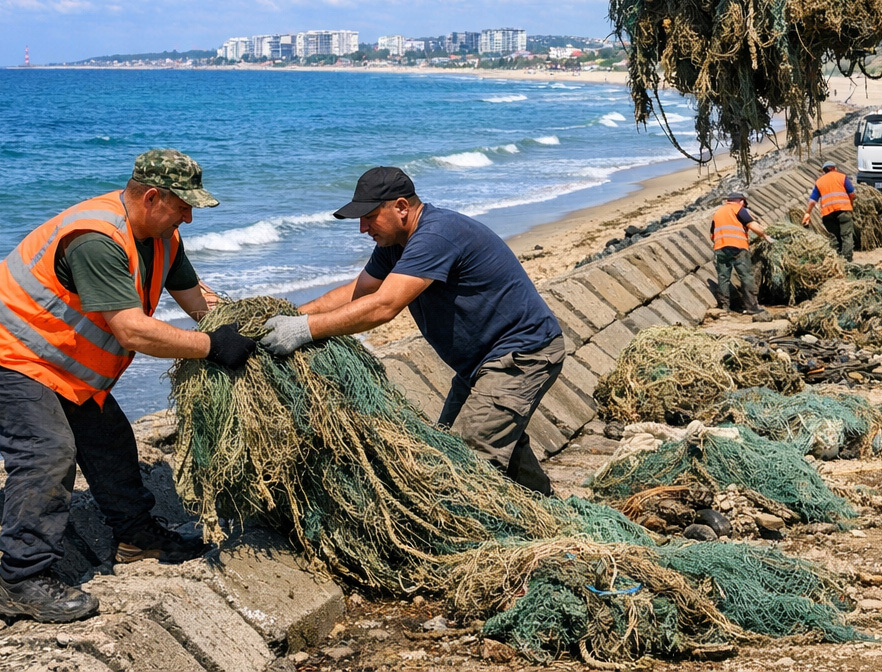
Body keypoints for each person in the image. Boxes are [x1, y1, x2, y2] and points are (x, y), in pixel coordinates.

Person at [0, 149, 257, 623]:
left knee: (113, 443)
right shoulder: (96, 239)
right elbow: (132, 330)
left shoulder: (163, 236)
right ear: (152, 196)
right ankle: (20, 580)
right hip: (13, 355)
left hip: (66, 366)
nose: (190, 216)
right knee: (47, 453)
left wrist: (244, 331)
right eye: (183, 206)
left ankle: (136, 540)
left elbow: (199, 302)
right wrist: (210, 347)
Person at [259, 167, 564, 496]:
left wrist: (303, 331)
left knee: (463, 463)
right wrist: (292, 316)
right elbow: (358, 292)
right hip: (481, 363)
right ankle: (551, 511)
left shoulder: (435, 236)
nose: (362, 228)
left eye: (369, 217)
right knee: (473, 445)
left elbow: (383, 307)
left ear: (401, 207)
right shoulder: (395, 243)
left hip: (522, 354)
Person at [708, 192, 772, 315]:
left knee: (723, 277)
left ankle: (724, 307)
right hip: (738, 248)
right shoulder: (739, 209)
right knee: (746, 276)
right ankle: (752, 307)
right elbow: (753, 225)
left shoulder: (718, 213)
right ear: (741, 201)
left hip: (720, 248)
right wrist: (765, 235)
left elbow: (712, 235)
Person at [801, 160, 856, 261]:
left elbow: (812, 201)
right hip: (844, 210)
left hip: (828, 215)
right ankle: (847, 261)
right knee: (846, 236)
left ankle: (838, 256)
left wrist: (807, 213)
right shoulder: (842, 177)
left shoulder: (819, 182)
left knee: (836, 235)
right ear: (834, 168)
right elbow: (852, 194)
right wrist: (850, 205)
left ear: (824, 171)